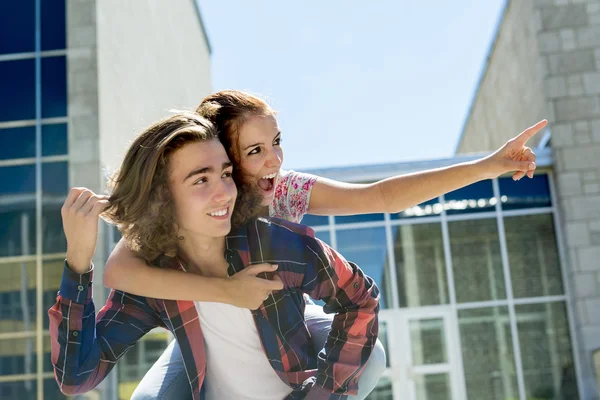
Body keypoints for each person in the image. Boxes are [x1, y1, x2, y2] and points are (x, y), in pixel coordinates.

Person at [100, 90, 546, 398]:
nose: (274, 159)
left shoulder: (284, 191)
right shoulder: (186, 207)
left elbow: (381, 196)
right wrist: (224, 293)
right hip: (207, 328)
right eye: (254, 151)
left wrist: (488, 166)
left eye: (276, 143)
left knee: (370, 356)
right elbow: (120, 271)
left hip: (288, 314)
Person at [49, 112, 380, 400]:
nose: (224, 193)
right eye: (201, 180)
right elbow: (76, 376)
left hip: (294, 387)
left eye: (225, 174)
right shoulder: (153, 283)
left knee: (372, 356)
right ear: (163, 198)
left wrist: (320, 395)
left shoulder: (271, 245)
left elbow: (360, 298)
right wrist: (78, 260)